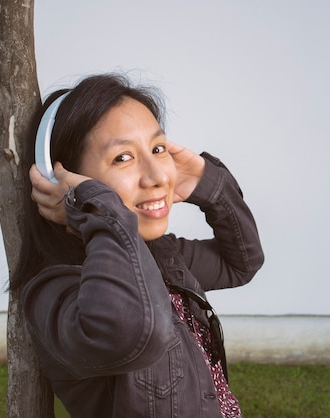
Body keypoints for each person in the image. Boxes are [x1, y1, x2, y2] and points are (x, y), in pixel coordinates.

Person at [13, 73, 264, 417]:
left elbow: (241, 262)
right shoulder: (56, 292)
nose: (157, 176)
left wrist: (210, 184)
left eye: (157, 149)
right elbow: (136, 332)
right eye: (122, 158)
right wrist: (96, 207)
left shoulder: (161, 254)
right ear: (63, 182)